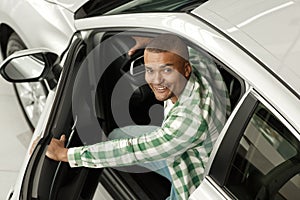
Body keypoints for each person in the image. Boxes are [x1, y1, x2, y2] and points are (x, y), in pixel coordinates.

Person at [46, 34, 229, 200]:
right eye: (150, 70)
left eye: (166, 70)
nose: (156, 80)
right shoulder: (198, 62)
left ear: (186, 70)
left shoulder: (188, 121)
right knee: (116, 136)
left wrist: (66, 155)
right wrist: (149, 42)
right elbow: (183, 47)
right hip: (191, 148)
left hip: (193, 177)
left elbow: (132, 151)